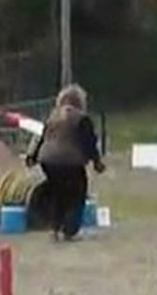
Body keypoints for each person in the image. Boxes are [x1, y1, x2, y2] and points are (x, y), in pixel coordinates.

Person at [26, 84, 105, 241]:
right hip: (70, 161)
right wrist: (97, 162)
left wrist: (32, 156)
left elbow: (40, 138)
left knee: (58, 192)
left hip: (47, 160)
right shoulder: (82, 119)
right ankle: (70, 230)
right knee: (78, 193)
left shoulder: (53, 116)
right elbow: (88, 142)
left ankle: (55, 229)